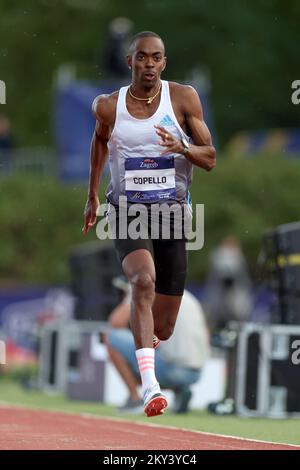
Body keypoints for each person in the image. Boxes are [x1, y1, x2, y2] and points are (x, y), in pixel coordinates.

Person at [83, 31, 216, 417]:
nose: (149, 65)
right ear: (130, 62)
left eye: (156, 58)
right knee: (142, 281)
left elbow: (209, 159)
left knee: (166, 327)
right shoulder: (109, 106)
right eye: (142, 57)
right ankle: (150, 387)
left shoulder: (183, 99)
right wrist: (92, 195)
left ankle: (145, 341)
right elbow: (99, 143)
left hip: (172, 212)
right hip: (127, 210)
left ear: (164, 63)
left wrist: (182, 148)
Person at [106, 286, 210, 414]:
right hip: (196, 372)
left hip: (172, 369)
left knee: (112, 337)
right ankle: (179, 389)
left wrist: (129, 297)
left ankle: (135, 399)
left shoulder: (145, 288)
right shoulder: (189, 297)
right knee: (155, 346)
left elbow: (116, 322)